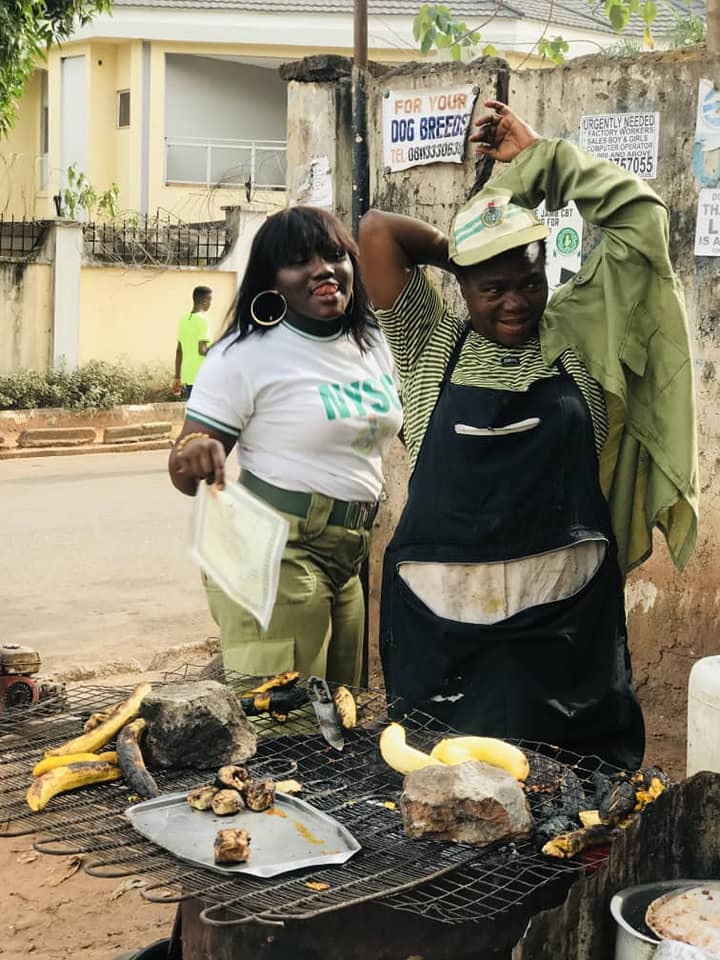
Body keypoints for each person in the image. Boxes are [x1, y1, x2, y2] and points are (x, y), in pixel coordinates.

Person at [359, 101, 697, 769]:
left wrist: (544, 159)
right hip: (444, 634)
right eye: (492, 288)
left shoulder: (577, 335)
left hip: (566, 633)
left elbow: (642, 221)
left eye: (529, 282)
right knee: (448, 798)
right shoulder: (429, 346)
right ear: (461, 287)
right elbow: (376, 232)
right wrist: (467, 240)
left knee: (576, 796)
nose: (515, 302)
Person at [168, 206, 402, 687]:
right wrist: (195, 453)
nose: (323, 269)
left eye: (335, 255)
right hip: (277, 548)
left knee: (343, 720)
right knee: (284, 729)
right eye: (300, 260)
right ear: (272, 279)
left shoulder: (371, 340)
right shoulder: (244, 355)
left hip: (351, 551)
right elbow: (183, 467)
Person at [173, 285, 213, 400]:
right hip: (203, 375)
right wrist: (218, 350)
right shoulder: (204, 320)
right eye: (210, 301)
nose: (210, 304)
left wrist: (177, 377)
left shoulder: (183, 320)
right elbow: (202, 350)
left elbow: (179, 351)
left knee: (192, 410)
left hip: (188, 375)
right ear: (205, 301)